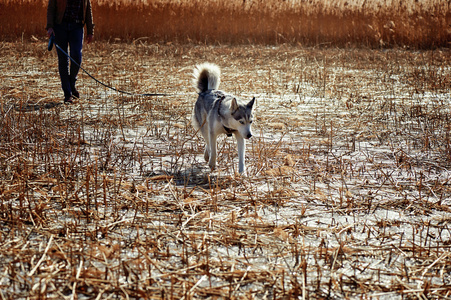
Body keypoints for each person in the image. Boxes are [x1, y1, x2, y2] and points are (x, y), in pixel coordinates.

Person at [46, 0, 94, 103]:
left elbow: (88, 9)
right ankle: (67, 94)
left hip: (77, 27)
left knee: (76, 56)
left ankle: (71, 84)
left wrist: (90, 31)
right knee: (63, 60)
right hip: (60, 27)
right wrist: (49, 26)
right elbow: (51, 8)